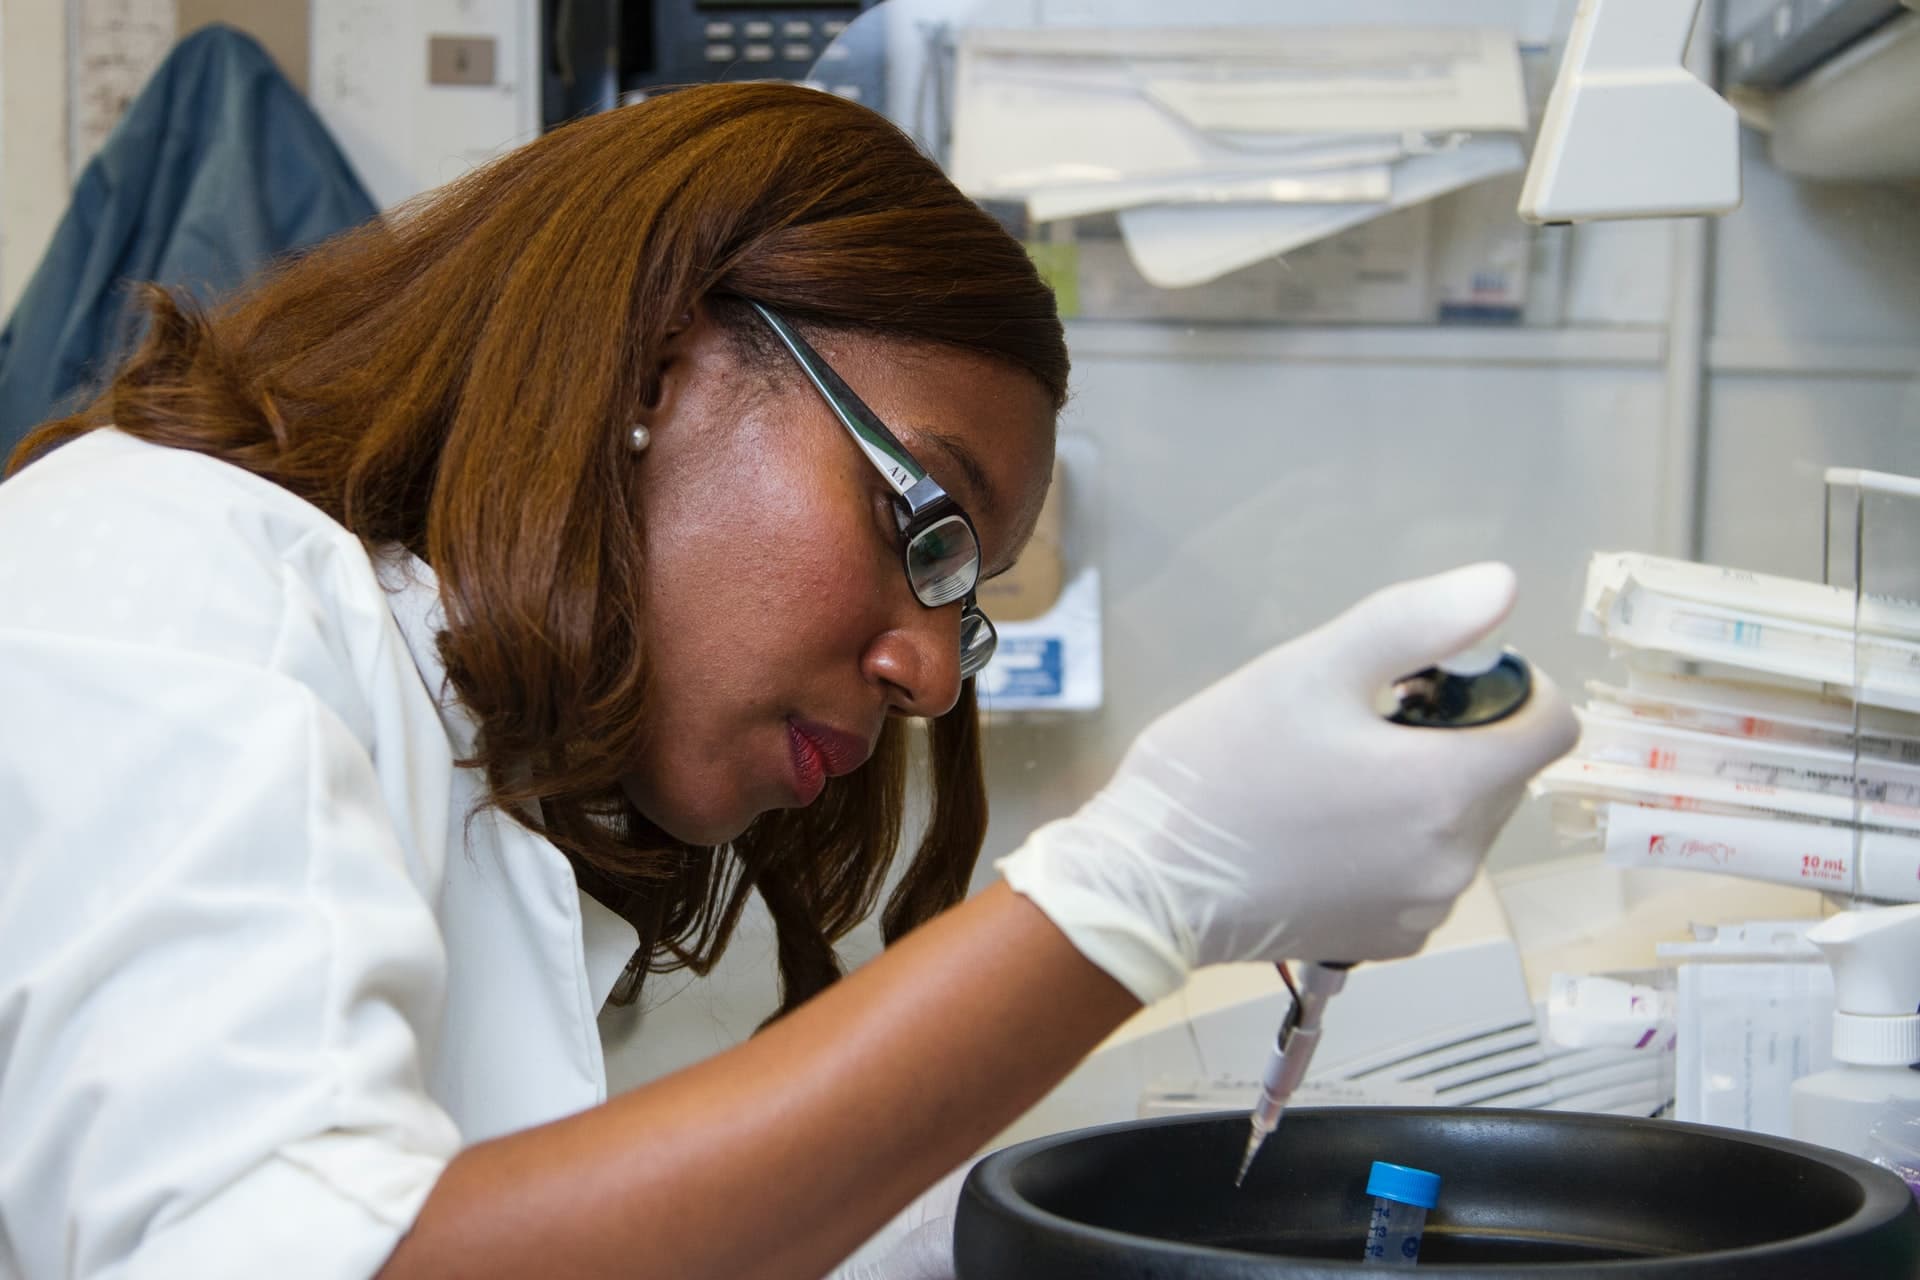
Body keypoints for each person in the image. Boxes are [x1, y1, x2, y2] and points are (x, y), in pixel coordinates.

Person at [0, 82, 1578, 1279]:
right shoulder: (152, 579)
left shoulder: (475, 763)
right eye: (931, 527)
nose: (932, 674)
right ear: (659, 359)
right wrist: (1137, 894)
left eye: (968, 598)